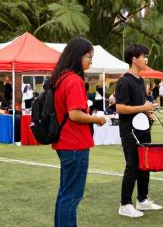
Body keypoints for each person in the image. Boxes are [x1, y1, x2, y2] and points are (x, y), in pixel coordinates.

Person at [51, 37, 109, 227]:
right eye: (88, 57)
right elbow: (75, 114)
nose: (90, 62)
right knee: (72, 196)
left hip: (65, 143)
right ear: (77, 56)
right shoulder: (74, 80)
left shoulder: (61, 78)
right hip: (74, 144)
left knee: (65, 193)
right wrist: (96, 119)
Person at [115, 44, 162, 218]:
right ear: (134, 58)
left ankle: (142, 199)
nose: (146, 59)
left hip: (143, 129)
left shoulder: (141, 81)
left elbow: (139, 106)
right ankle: (125, 204)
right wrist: (143, 107)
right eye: (144, 56)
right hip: (129, 131)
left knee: (145, 165)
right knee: (132, 166)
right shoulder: (124, 81)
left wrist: (148, 112)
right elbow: (120, 108)